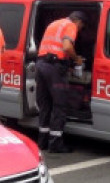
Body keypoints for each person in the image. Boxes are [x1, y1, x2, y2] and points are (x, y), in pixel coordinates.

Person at [35, 11, 87, 153]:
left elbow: (53, 47)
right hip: (54, 68)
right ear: (78, 22)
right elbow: (67, 46)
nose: (79, 30)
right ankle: (55, 144)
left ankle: (42, 142)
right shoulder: (71, 26)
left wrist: (66, 64)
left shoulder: (55, 23)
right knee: (60, 105)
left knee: (45, 104)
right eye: (81, 27)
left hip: (41, 65)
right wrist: (76, 59)